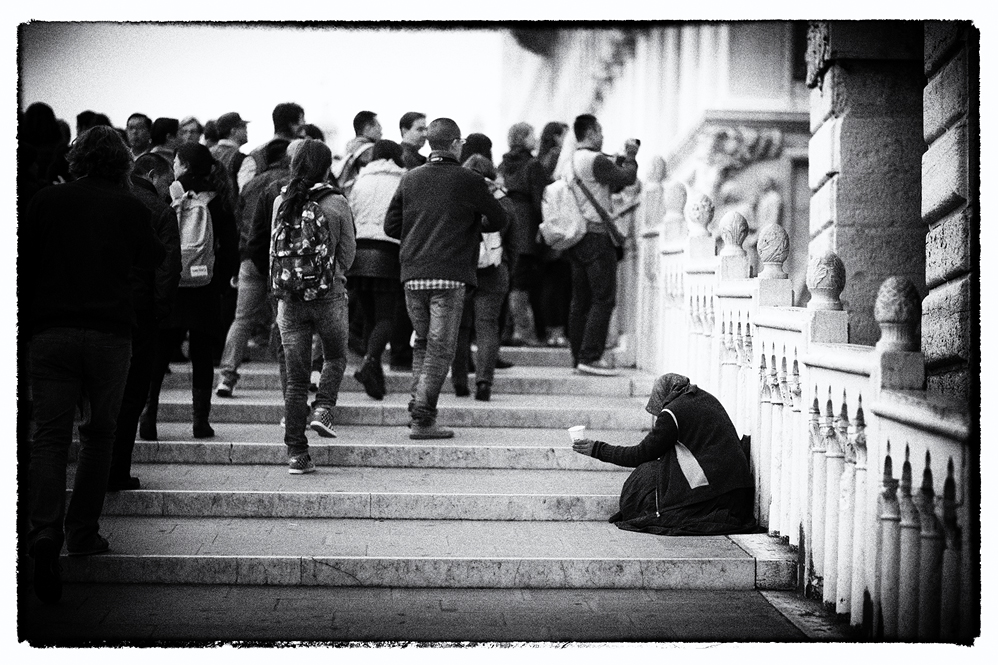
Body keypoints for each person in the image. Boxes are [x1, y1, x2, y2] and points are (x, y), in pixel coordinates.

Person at [21, 126, 164, 603]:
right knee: (99, 434)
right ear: (123, 162)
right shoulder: (131, 207)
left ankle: (44, 531)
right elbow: (152, 258)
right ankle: (82, 533)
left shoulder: (46, 201)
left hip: (51, 332)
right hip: (109, 334)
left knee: (49, 436)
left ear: (77, 158)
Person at [384, 118, 508, 439]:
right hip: (450, 275)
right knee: (440, 350)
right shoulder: (469, 180)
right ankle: (423, 418)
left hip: (413, 275)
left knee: (423, 345)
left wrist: (419, 233)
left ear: (429, 144)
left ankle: (418, 411)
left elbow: (390, 226)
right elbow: (499, 218)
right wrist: (468, 225)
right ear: (456, 144)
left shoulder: (409, 179)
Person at [572, 373, 756, 536]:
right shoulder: (705, 398)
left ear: (663, 399)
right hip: (738, 492)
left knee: (645, 477)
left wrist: (597, 449)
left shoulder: (672, 413)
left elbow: (639, 455)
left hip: (712, 495)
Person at [140, 142, 239, 441]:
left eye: (177, 163)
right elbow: (231, 249)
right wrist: (216, 281)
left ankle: (149, 416)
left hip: (171, 286)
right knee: (202, 355)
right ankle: (200, 422)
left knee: (158, 354)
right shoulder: (217, 198)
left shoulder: (168, 194)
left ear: (183, 165)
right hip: (204, 287)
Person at [271, 138, 356, 474]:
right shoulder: (336, 202)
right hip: (329, 295)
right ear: (326, 166)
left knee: (294, 381)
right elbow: (348, 252)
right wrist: (332, 274)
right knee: (335, 357)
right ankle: (323, 408)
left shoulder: (282, 199)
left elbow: (272, 251)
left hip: (289, 300)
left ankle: (297, 455)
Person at [108, 153, 182, 491]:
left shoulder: (109, 196)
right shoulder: (159, 210)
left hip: (102, 310)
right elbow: (168, 270)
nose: (169, 191)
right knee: (133, 392)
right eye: (167, 183)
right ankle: (117, 469)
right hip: (141, 314)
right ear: (153, 175)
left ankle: (96, 469)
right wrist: (160, 314)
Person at [214, 137, 292, 398]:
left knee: (242, 320)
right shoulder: (293, 184)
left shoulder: (251, 185)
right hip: (283, 261)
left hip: (250, 258)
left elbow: (238, 224)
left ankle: (226, 377)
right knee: (287, 322)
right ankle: (290, 386)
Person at [561, 114, 638, 376]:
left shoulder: (571, 161)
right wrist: (630, 155)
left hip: (576, 237)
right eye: (600, 130)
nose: (603, 135)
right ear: (591, 131)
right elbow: (626, 179)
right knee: (603, 298)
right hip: (596, 237)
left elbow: (604, 187)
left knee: (579, 300)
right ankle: (591, 356)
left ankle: (577, 357)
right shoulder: (595, 159)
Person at [346, 139, 407, 400]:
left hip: (359, 254)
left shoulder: (361, 180)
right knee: (387, 319)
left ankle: (376, 378)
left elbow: (352, 213)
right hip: (387, 253)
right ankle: (370, 363)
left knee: (371, 318)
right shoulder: (401, 180)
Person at [450, 154, 513, 402]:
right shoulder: (502, 200)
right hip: (495, 270)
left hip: (461, 268)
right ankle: (484, 382)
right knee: (487, 326)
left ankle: (459, 382)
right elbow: (514, 240)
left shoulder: (456, 198)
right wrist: (508, 265)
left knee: (460, 327)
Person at [498, 122, 548, 347]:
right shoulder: (533, 165)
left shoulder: (504, 164)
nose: (536, 139)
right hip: (527, 226)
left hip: (507, 224)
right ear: (523, 138)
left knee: (510, 279)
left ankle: (507, 331)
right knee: (522, 282)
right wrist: (545, 228)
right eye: (532, 135)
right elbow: (539, 201)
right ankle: (524, 331)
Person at [237, 102, 305, 192]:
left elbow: (244, 190)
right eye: (302, 120)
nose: (304, 123)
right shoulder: (303, 152)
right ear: (292, 124)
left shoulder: (254, 155)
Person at [332, 110, 381, 194]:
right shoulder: (369, 151)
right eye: (378, 127)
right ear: (368, 128)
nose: (381, 131)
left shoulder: (349, 148)